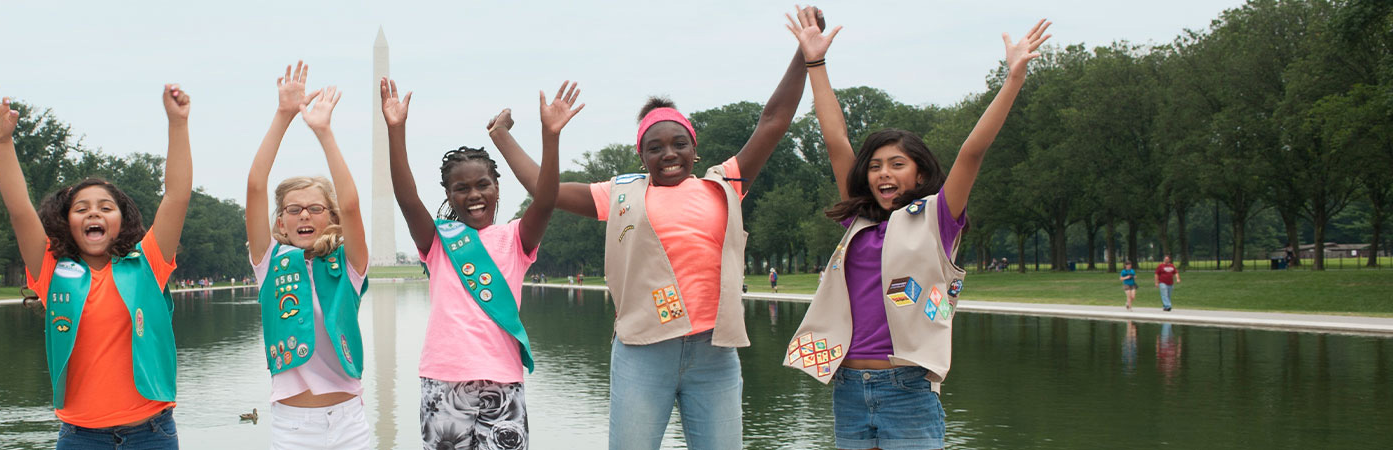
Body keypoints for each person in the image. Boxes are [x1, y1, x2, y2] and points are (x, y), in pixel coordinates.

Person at [490, 11, 815, 447]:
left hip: (715, 353)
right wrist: (505, 137)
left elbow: (772, 123)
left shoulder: (724, 185)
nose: (668, 154)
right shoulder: (620, 194)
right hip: (643, 351)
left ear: (694, 150)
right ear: (640, 154)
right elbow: (542, 190)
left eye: (679, 144)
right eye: (655, 147)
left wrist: (804, 55)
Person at [780, 10, 1051, 450]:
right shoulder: (859, 222)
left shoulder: (937, 218)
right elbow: (835, 141)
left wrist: (1012, 79)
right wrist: (816, 65)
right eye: (875, 166)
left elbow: (972, 152)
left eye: (896, 165)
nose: (883, 174)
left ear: (920, 173)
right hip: (847, 386)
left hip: (907, 389)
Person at [0, 80, 194, 449]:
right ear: (66, 222)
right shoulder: (51, 270)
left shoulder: (147, 263)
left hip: (153, 432)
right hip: (80, 437)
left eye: (105, 207)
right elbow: (19, 210)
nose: (93, 213)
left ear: (121, 220)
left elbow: (177, 196)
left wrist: (178, 125)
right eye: (81, 209)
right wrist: (2, 144)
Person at [384, 76, 579, 449]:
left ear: (497, 188)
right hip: (443, 381)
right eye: (462, 188)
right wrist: (396, 130)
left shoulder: (517, 238)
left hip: (503, 380)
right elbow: (407, 200)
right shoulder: (438, 241)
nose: (474, 195)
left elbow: (547, 198)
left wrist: (550, 137)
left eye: (483, 184)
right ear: (449, 194)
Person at [245, 61, 374, 449]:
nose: (304, 215)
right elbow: (254, 187)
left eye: (316, 209)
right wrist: (284, 115)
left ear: (330, 217)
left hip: (349, 420)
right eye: (294, 209)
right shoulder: (269, 264)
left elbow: (351, 206)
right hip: (294, 426)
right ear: (280, 223)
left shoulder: (349, 266)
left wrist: (324, 132)